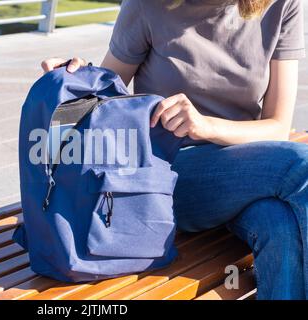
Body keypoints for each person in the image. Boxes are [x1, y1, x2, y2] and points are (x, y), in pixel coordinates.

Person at [40, 0, 308, 300]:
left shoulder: (283, 4)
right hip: (167, 174)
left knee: (280, 225)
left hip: (250, 173)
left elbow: (278, 126)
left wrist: (205, 126)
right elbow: (102, 99)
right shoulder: (147, 5)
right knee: (302, 165)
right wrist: (73, 77)